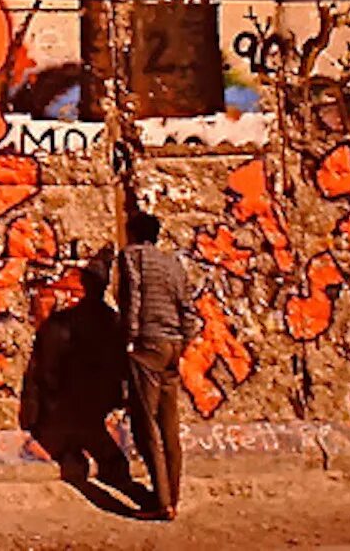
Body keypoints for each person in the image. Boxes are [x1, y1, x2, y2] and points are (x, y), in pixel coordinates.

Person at [19, 247, 135, 496]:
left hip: (70, 397)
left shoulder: (65, 321)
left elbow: (47, 368)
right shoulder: (112, 321)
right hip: (96, 397)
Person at [117, 211, 200, 521]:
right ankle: (173, 497)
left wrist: (131, 338)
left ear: (134, 233)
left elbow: (134, 296)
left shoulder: (132, 257)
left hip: (148, 344)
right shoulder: (172, 263)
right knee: (169, 424)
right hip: (174, 345)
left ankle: (160, 501)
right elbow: (187, 307)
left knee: (145, 423)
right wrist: (184, 340)